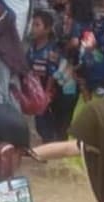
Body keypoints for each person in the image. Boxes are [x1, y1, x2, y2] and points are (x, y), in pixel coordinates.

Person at [27, 10, 63, 142]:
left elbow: (52, 74)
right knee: (38, 119)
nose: (33, 28)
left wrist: (46, 94)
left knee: (45, 119)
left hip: (47, 90)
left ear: (47, 29)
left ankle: (49, 143)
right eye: (32, 24)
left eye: (37, 25)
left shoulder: (51, 50)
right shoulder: (32, 47)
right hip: (35, 89)